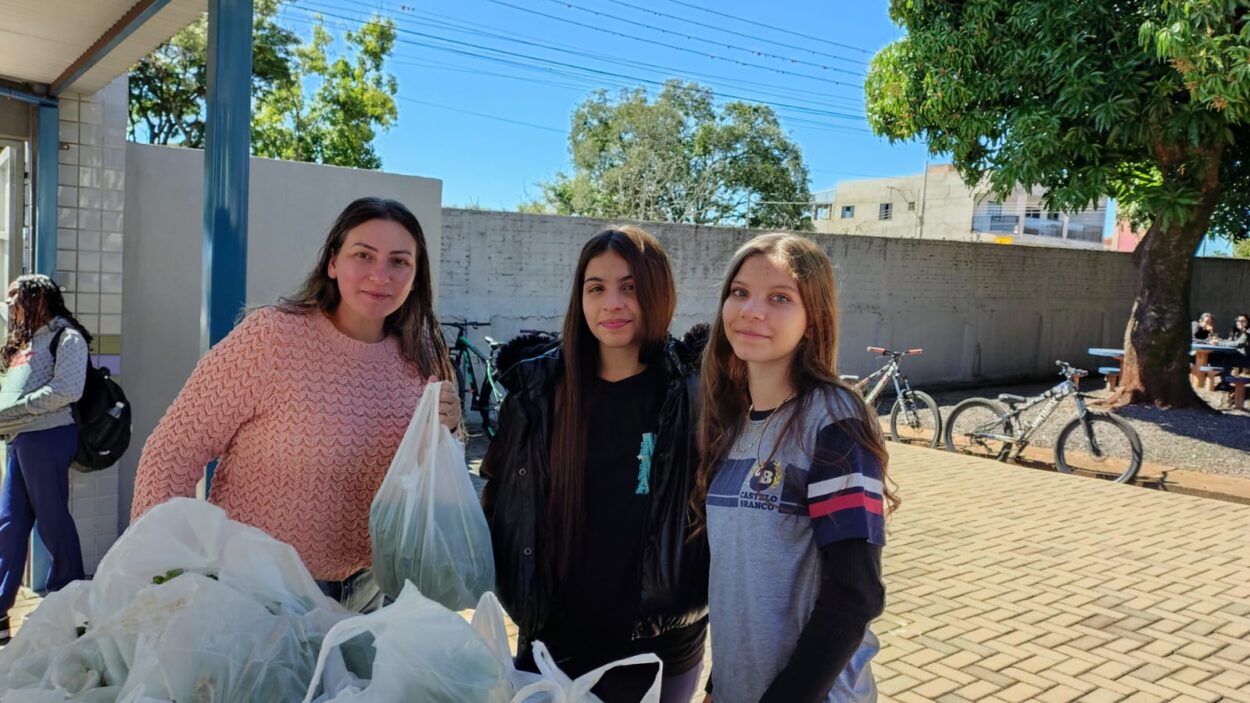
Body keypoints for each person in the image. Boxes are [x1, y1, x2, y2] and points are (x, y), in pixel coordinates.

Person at [131, 197, 460, 612]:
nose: (381, 275)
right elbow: (174, 449)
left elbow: (431, 474)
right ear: (333, 262)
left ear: (416, 276)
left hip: (378, 586)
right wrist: (157, 569)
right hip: (260, 587)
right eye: (363, 255)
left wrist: (449, 429)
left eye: (399, 261)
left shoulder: (422, 352)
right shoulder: (271, 338)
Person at [481, 227, 709, 703]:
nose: (612, 304)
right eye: (596, 288)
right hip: (552, 642)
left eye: (630, 287)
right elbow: (501, 499)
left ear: (659, 292)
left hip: (658, 650)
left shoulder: (695, 392)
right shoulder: (537, 390)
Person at [693, 233, 898, 703]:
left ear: (813, 321)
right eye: (740, 292)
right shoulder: (735, 422)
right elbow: (741, 579)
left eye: (780, 298)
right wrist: (717, 685)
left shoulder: (834, 420)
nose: (752, 311)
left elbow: (856, 593)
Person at [0, 274, 89, 644]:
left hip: (48, 436)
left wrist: (11, 413)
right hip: (19, 439)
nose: (9, 304)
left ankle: (71, 604)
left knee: (52, 520)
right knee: (9, 524)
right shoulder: (26, 341)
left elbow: (67, 390)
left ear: (37, 297)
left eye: (14, 296)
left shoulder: (66, 337)